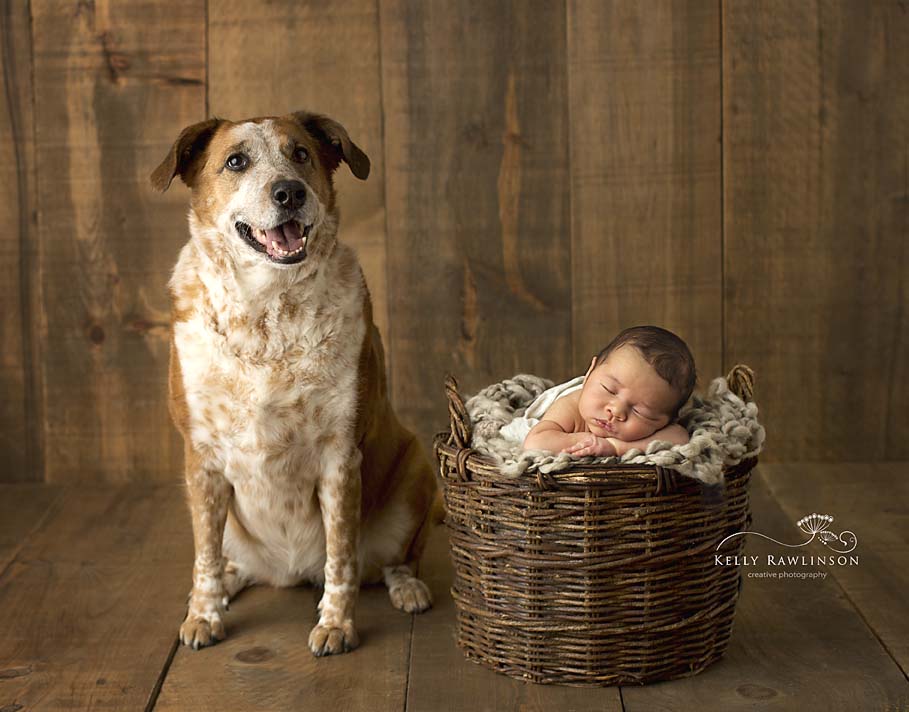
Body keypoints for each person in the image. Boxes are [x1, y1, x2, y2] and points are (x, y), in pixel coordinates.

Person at [522, 326, 696, 457]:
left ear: (666, 421)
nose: (616, 411)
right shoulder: (570, 406)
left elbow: (680, 438)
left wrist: (616, 447)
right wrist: (588, 442)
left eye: (640, 411)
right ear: (590, 372)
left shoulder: (666, 427)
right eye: (609, 390)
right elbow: (535, 442)